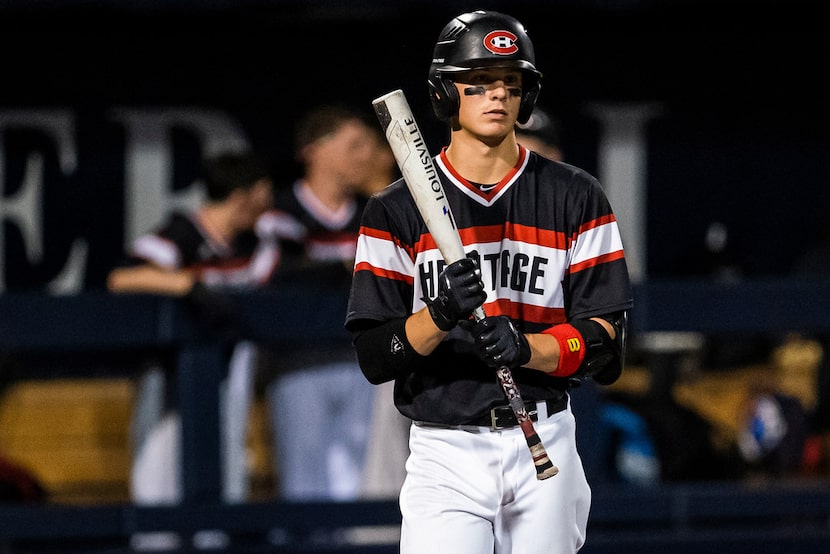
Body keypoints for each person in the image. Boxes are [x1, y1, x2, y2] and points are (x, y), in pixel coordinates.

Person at [345, 10, 633, 554]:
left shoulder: (575, 195)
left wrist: (528, 349)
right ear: (445, 94)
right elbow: (375, 356)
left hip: (544, 435)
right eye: (477, 84)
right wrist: (441, 313)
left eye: (511, 83)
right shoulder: (394, 209)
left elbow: (605, 340)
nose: (497, 95)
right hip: (443, 447)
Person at [107, 151, 278, 509]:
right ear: (241, 195)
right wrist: (189, 287)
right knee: (158, 467)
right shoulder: (183, 232)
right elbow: (121, 278)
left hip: (230, 369)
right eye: (262, 193)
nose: (267, 202)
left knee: (227, 460)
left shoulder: (253, 242)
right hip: (169, 374)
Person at [258, 104, 379, 501]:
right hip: (297, 361)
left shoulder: (371, 213)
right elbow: (274, 274)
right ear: (315, 150)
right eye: (354, 144)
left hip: (359, 359)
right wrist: (343, 267)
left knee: (353, 480)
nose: (367, 155)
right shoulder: (278, 213)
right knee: (303, 480)